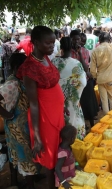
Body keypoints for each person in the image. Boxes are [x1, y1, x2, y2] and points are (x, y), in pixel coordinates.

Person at [16, 26, 65, 189]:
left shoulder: (45, 58)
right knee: (50, 163)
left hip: (56, 113)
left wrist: (62, 106)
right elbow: (34, 103)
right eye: (48, 43)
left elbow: (53, 87)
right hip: (45, 119)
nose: (52, 46)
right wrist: (36, 136)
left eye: (53, 42)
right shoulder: (30, 68)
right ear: (36, 43)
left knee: (59, 152)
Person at [0, 53, 36, 189]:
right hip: (17, 126)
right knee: (24, 154)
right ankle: (29, 185)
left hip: (22, 124)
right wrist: (8, 115)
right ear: (16, 67)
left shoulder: (19, 80)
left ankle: (14, 182)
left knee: (15, 152)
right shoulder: (12, 84)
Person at [52, 37, 87, 139]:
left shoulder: (54, 62)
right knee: (74, 121)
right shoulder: (76, 63)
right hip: (73, 102)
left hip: (58, 103)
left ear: (60, 47)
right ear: (72, 48)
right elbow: (83, 82)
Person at [70, 30, 99, 128]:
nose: (76, 42)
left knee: (88, 104)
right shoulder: (68, 51)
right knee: (78, 105)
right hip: (73, 82)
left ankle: (91, 124)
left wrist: (80, 54)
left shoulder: (84, 51)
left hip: (84, 80)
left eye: (77, 39)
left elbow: (86, 68)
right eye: (73, 39)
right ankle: (81, 125)